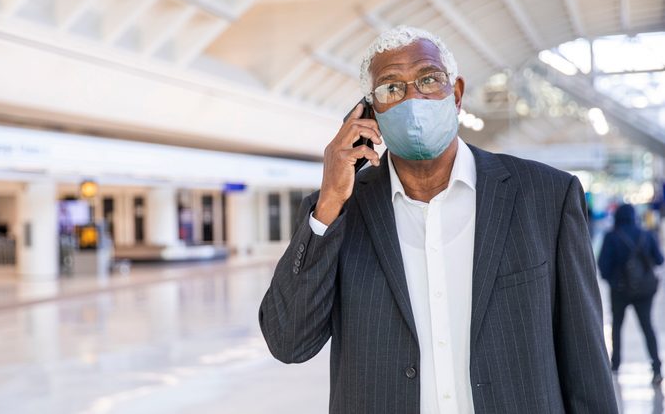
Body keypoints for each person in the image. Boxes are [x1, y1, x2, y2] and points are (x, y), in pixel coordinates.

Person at [258, 26, 617, 413]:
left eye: (429, 79)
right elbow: (288, 342)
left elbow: (586, 362)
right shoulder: (340, 211)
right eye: (391, 88)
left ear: (456, 94)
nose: (413, 98)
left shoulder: (546, 197)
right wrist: (330, 199)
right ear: (370, 112)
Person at [598, 203, 663, 385]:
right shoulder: (646, 235)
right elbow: (659, 260)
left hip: (619, 291)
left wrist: (615, 280)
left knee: (617, 326)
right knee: (647, 327)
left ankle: (615, 365)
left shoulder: (611, 237)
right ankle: (656, 368)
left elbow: (603, 266)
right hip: (644, 292)